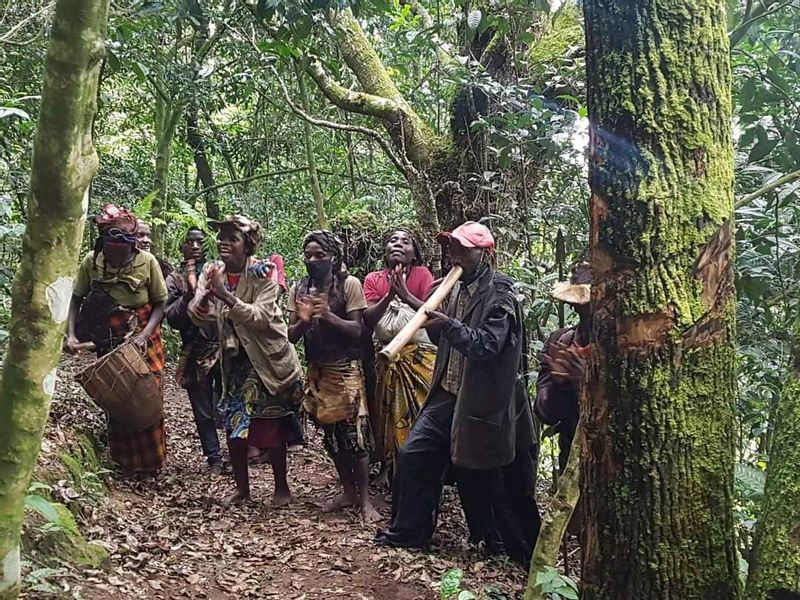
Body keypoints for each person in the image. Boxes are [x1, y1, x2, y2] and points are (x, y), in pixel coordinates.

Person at [375, 221, 540, 566]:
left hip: (482, 403)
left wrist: (446, 324)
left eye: (464, 249)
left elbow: (487, 346)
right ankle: (409, 533)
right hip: (447, 395)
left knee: (486, 475)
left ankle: (501, 545)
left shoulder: (501, 295)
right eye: (453, 247)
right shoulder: (451, 289)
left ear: (484, 253)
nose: (456, 254)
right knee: (414, 454)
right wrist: (420, 310)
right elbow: (445, 341)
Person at [188, 215, 303, 507]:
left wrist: (226, 297)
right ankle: (242, 489)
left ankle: (281, 487)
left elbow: (261, 317)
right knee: (234, 426)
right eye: (222, 237)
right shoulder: (213, 270)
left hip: (267, 360)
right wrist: (203, 301)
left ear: (247, 245)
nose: (224, 242)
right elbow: (197, 312)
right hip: (235, 363)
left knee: (271, 422)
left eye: (233, 238)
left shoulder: (264, 271)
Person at [65, 204, 168, 476]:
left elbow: (160, 304)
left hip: (143, 332)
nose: (117, 257)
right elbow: (76, 299)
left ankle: (151, 464)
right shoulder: (91, 261)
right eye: (111, 250)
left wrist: (144, 336)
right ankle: (125, 461)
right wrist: (71, 334)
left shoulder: (148, 262)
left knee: (148, 394)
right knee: (118, 395)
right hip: (109, 336)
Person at [287, 230, 380, 522]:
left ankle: (365, 500)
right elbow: (290, 336)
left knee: (355, 437)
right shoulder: (298, 288)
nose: (313, 260)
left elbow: (360, 330)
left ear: (334, 257)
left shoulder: (349, 284)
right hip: (318, 370)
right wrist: (304, 320)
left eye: (319, 255)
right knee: (330, 435)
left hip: (346, 368)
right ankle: (348, 490)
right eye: (308, 255)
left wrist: (328, 316)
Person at [362, 230, 436, 482]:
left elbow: (432, 314)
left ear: (414, 254)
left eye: (406, 241)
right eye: (393, 241)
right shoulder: (373, 279)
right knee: (385, 413)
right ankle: (388, 463)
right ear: (384, 251)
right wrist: (391, 294)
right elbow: (369, 319)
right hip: (384, 358)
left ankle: (416, 465)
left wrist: (405, 294)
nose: (398, 244)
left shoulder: (423, 275)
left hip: (418, 358)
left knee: (418, 413)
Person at [164, 227, 224, 474]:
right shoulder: (175, 279)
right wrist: (188, 296)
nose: (196, 246)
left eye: (200, 242)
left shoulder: (219, 270)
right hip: (195, 348)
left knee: (228, 400)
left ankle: (239, 451)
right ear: (183, 247)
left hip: (224, 346)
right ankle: (214, 459)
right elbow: (172, 318)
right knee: (202, 408)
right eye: (190, 242)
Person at [534, 263, 591, 472]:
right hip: (572, 458)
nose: (577, 307)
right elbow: (545, 413)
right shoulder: (561, 342)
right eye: (576, 302)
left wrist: (587, 379)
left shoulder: (622, 346)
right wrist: (560, 385)